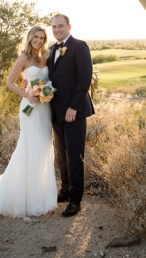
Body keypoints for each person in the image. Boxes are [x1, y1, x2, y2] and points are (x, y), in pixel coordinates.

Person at [0, 26, 58, 221]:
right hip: (30, 107)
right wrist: (27, 94)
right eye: (35, 37)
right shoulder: (23, 58)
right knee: (28, 147)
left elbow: (48, 79)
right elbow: (10, 82)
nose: (38, 40)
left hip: (45, 108)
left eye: (42, 38)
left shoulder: (46, 56)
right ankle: (23, 199)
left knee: (43, 147)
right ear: (30, 38)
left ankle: (39, 196)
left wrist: (44, 90)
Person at [47, 13, 95, 217]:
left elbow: (85, 79)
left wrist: (73, 107)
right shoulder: (51, 50)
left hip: (74, 111)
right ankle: (65, 189)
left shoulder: (79, 46)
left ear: (69, 26)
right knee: (61, 153)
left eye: (60, 26)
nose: (57, 30)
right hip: (56, 111)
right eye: (54, 27)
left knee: (74, 155)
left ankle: (75, 200)